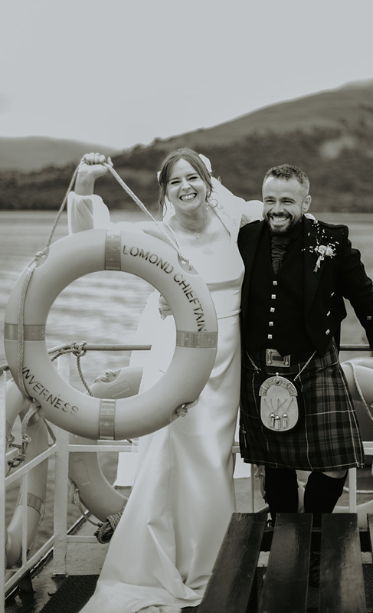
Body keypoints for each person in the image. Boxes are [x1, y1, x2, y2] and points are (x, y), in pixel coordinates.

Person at [68, 149, 262, 613]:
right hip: (176, 356)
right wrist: (85, 181)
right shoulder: (159, 234)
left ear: (209, 180)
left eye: (193, 177)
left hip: (228, 356)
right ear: (165, 191)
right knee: (167, 454)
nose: (186, 187)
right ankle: (151, 567)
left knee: (212, 460)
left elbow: (285, 213)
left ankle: (209, 566)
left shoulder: (233, 220)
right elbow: (88, 237)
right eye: (175, 182)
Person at [237, 164, 373, 520]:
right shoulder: (246, 237)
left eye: (286, 200)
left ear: (305, 201)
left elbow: (362, 290)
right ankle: (285, 530)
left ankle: (315, 526)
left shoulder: (330, 240)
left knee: (336, 460)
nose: (276, 208)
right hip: (256, 364)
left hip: (314, 360)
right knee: (274, 461)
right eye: (269, 200)